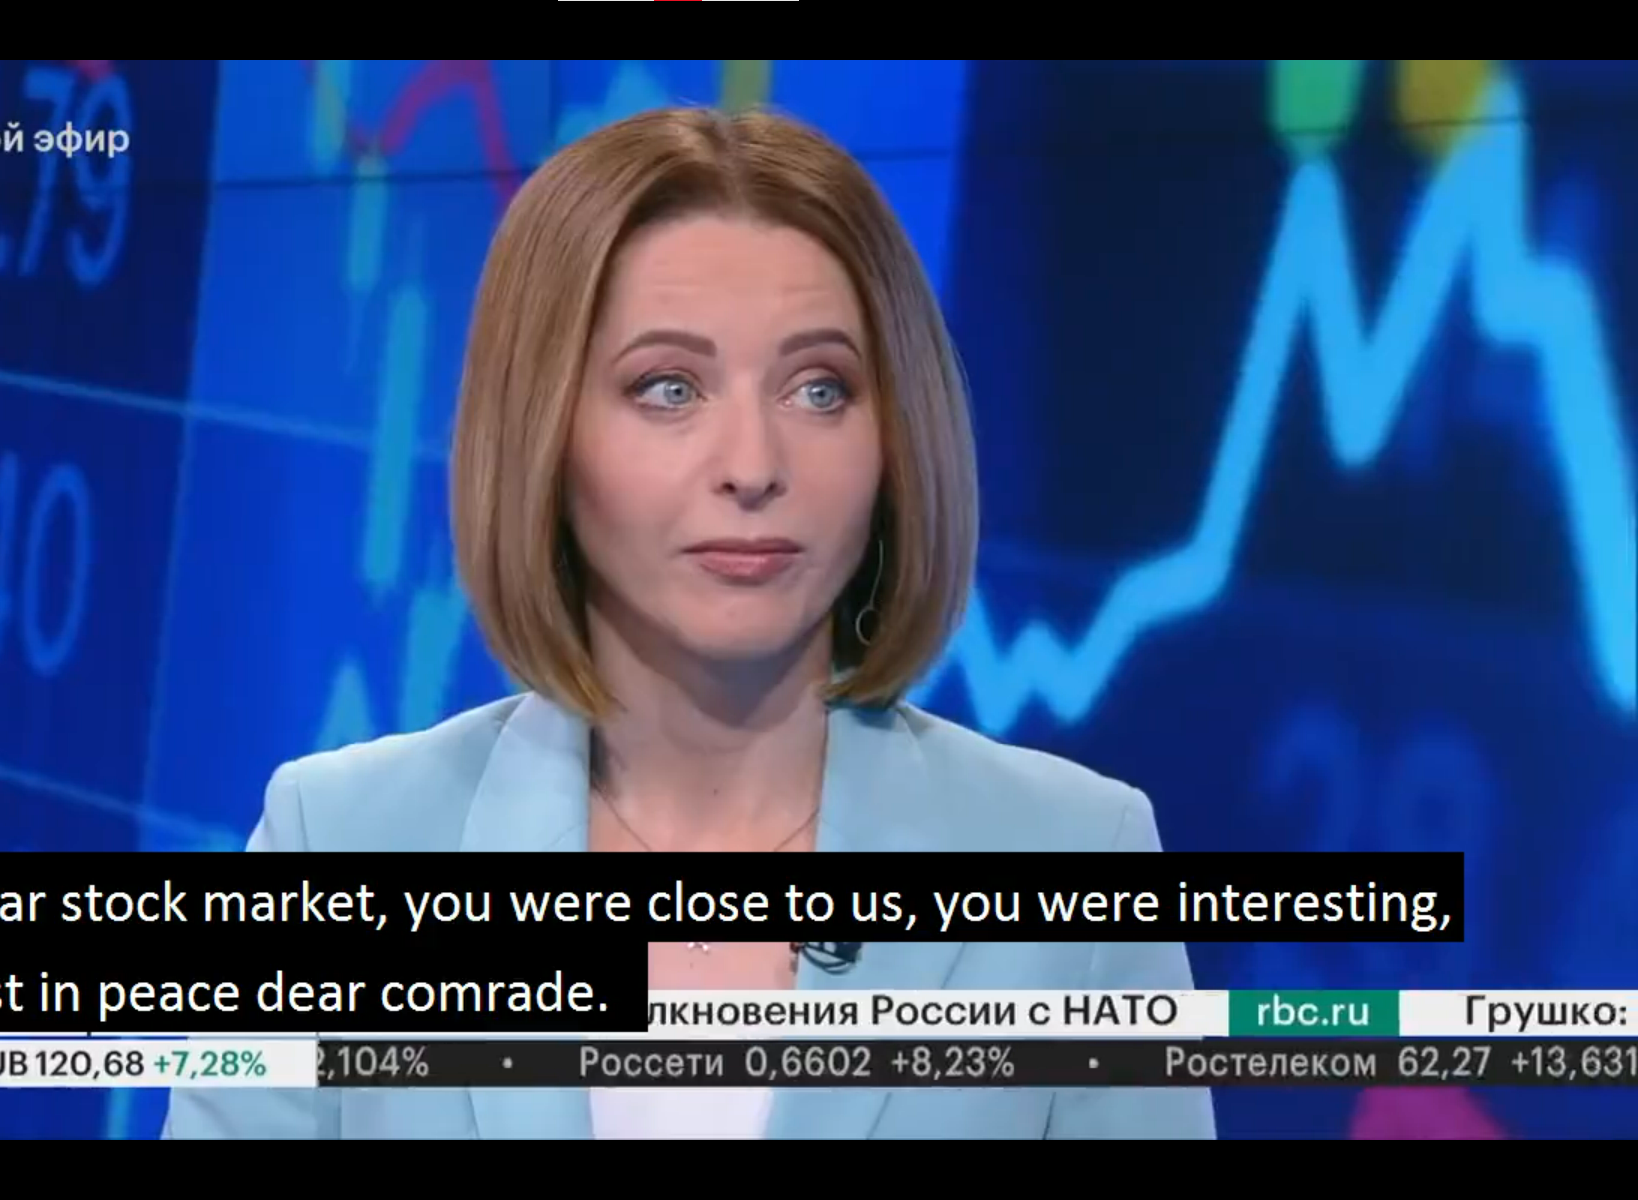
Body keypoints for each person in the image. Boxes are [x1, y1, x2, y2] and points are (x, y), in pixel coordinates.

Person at [163, 104, 1215, 1140]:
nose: (753, 466)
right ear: (544, 436)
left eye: (820, 389)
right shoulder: (340, 845)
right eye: (668, 388)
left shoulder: (1077, 858)